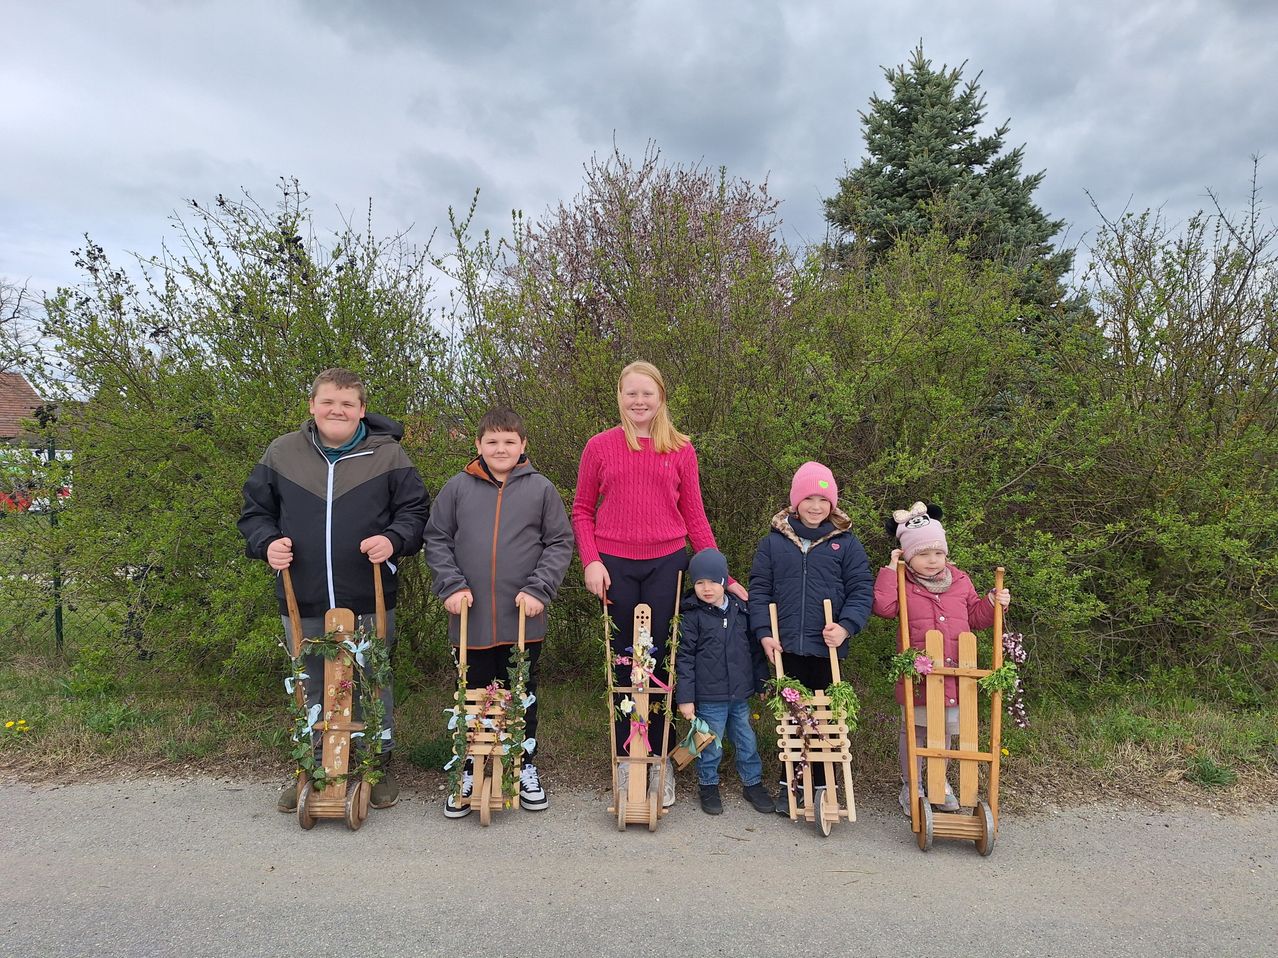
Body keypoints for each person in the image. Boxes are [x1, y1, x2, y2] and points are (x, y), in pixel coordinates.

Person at [239, 368, 430, 812]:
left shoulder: (388, 455)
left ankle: (375, 767)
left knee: (371, 682)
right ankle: (310, 766)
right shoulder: (283, 453)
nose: (337, 410)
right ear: (312, 405)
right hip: (300, 594)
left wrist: (394, 540)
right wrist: (266, 544)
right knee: (307, 684)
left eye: (347, 403)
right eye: (328, 402)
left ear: (362, 410)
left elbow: (416, 512)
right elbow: (254, 514)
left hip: (368, 595)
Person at [573, 361, 745, 808]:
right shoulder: (600, 446)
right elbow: (581, 511)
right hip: (615, 567)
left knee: (661, 666)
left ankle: (659, 765)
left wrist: (721, 575)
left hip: (668, 566)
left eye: (647, 394)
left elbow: (695, 516)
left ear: (661, 397)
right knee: (624, 665)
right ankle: (628, 759)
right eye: (631, 394)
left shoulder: (681, 449)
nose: (639, 402)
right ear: (620, 397)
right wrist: (591, 561)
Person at [424, 406, 574, 817]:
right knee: (472, 697)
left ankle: (522, 764)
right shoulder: (457, 488)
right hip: (469, 619)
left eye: (510, 441)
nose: (501, 448)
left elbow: (560, 542)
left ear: (523, 445)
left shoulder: (541, 489)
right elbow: (436, 539)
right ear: (478, 445)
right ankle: (471, 765)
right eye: (492, 441)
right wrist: (451, 585)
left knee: (520, 696)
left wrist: (538, 588)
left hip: (522, 619)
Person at [748, 461, 873, 815]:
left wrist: (846, 625)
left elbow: (862, 590)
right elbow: (759, 591)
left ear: (832, 504)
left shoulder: (846, 545)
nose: (816, 506)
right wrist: (764, 634)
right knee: (792, 718)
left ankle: (822, 785)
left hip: (825, 649)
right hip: (785, 646)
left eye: (823, 499)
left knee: (824, 719)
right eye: (809, 498)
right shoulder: (773, 544)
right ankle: (791, 784)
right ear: (795, 502)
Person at [871, 501, 1011, 816]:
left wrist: (993, 602)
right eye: (922, 554)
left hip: (956, 673)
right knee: (917, 730)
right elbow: (883, 608)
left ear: (946, 554)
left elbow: (976, 617)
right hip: (921, 674)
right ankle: (913, 786)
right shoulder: (902, 584)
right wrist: (891, 571)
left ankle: (939, 782)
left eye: (937, 553)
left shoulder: (960, 581)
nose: (932, 560)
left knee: (945, 731)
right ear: (907, 555)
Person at [675, 548, 773, 816]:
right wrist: (685, 699)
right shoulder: (692, 616)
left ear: (724, 581)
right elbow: (684, 660)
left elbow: (754, 651)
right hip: (709, 697)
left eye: (712, 582)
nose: (706, 589)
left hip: (740, 695)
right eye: (699, 583)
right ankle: (708, 785)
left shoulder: (742, 610)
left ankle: (752, 784)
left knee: (746, 740)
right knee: (710, 743)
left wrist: (762, 683)